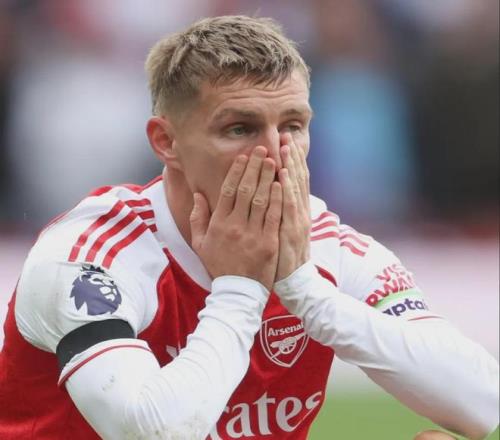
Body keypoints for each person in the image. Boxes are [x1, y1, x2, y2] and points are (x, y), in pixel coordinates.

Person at [0, 15, 498, 440]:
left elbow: (483, 404)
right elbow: (151, 431)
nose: (275, 154)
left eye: (293, 126)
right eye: (239, 128)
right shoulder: (89, 258)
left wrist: (307, 292)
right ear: (166, 142)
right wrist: (239, 288)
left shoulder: (327, 246)